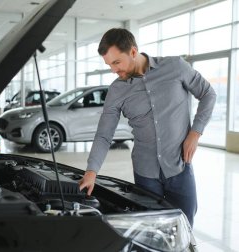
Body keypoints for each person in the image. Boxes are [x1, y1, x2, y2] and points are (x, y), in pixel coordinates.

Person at [79, 28, 216, 227]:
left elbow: (208, 94)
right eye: (109, 65)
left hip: (179, 166)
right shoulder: (116, 90)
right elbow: (104, 134)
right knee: (151, 232)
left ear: (133, 52)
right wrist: (91, 171)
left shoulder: (175, 67)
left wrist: (195, 133)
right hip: (145, 174)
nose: (114, 70)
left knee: (184, 227)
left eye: (116, 62)